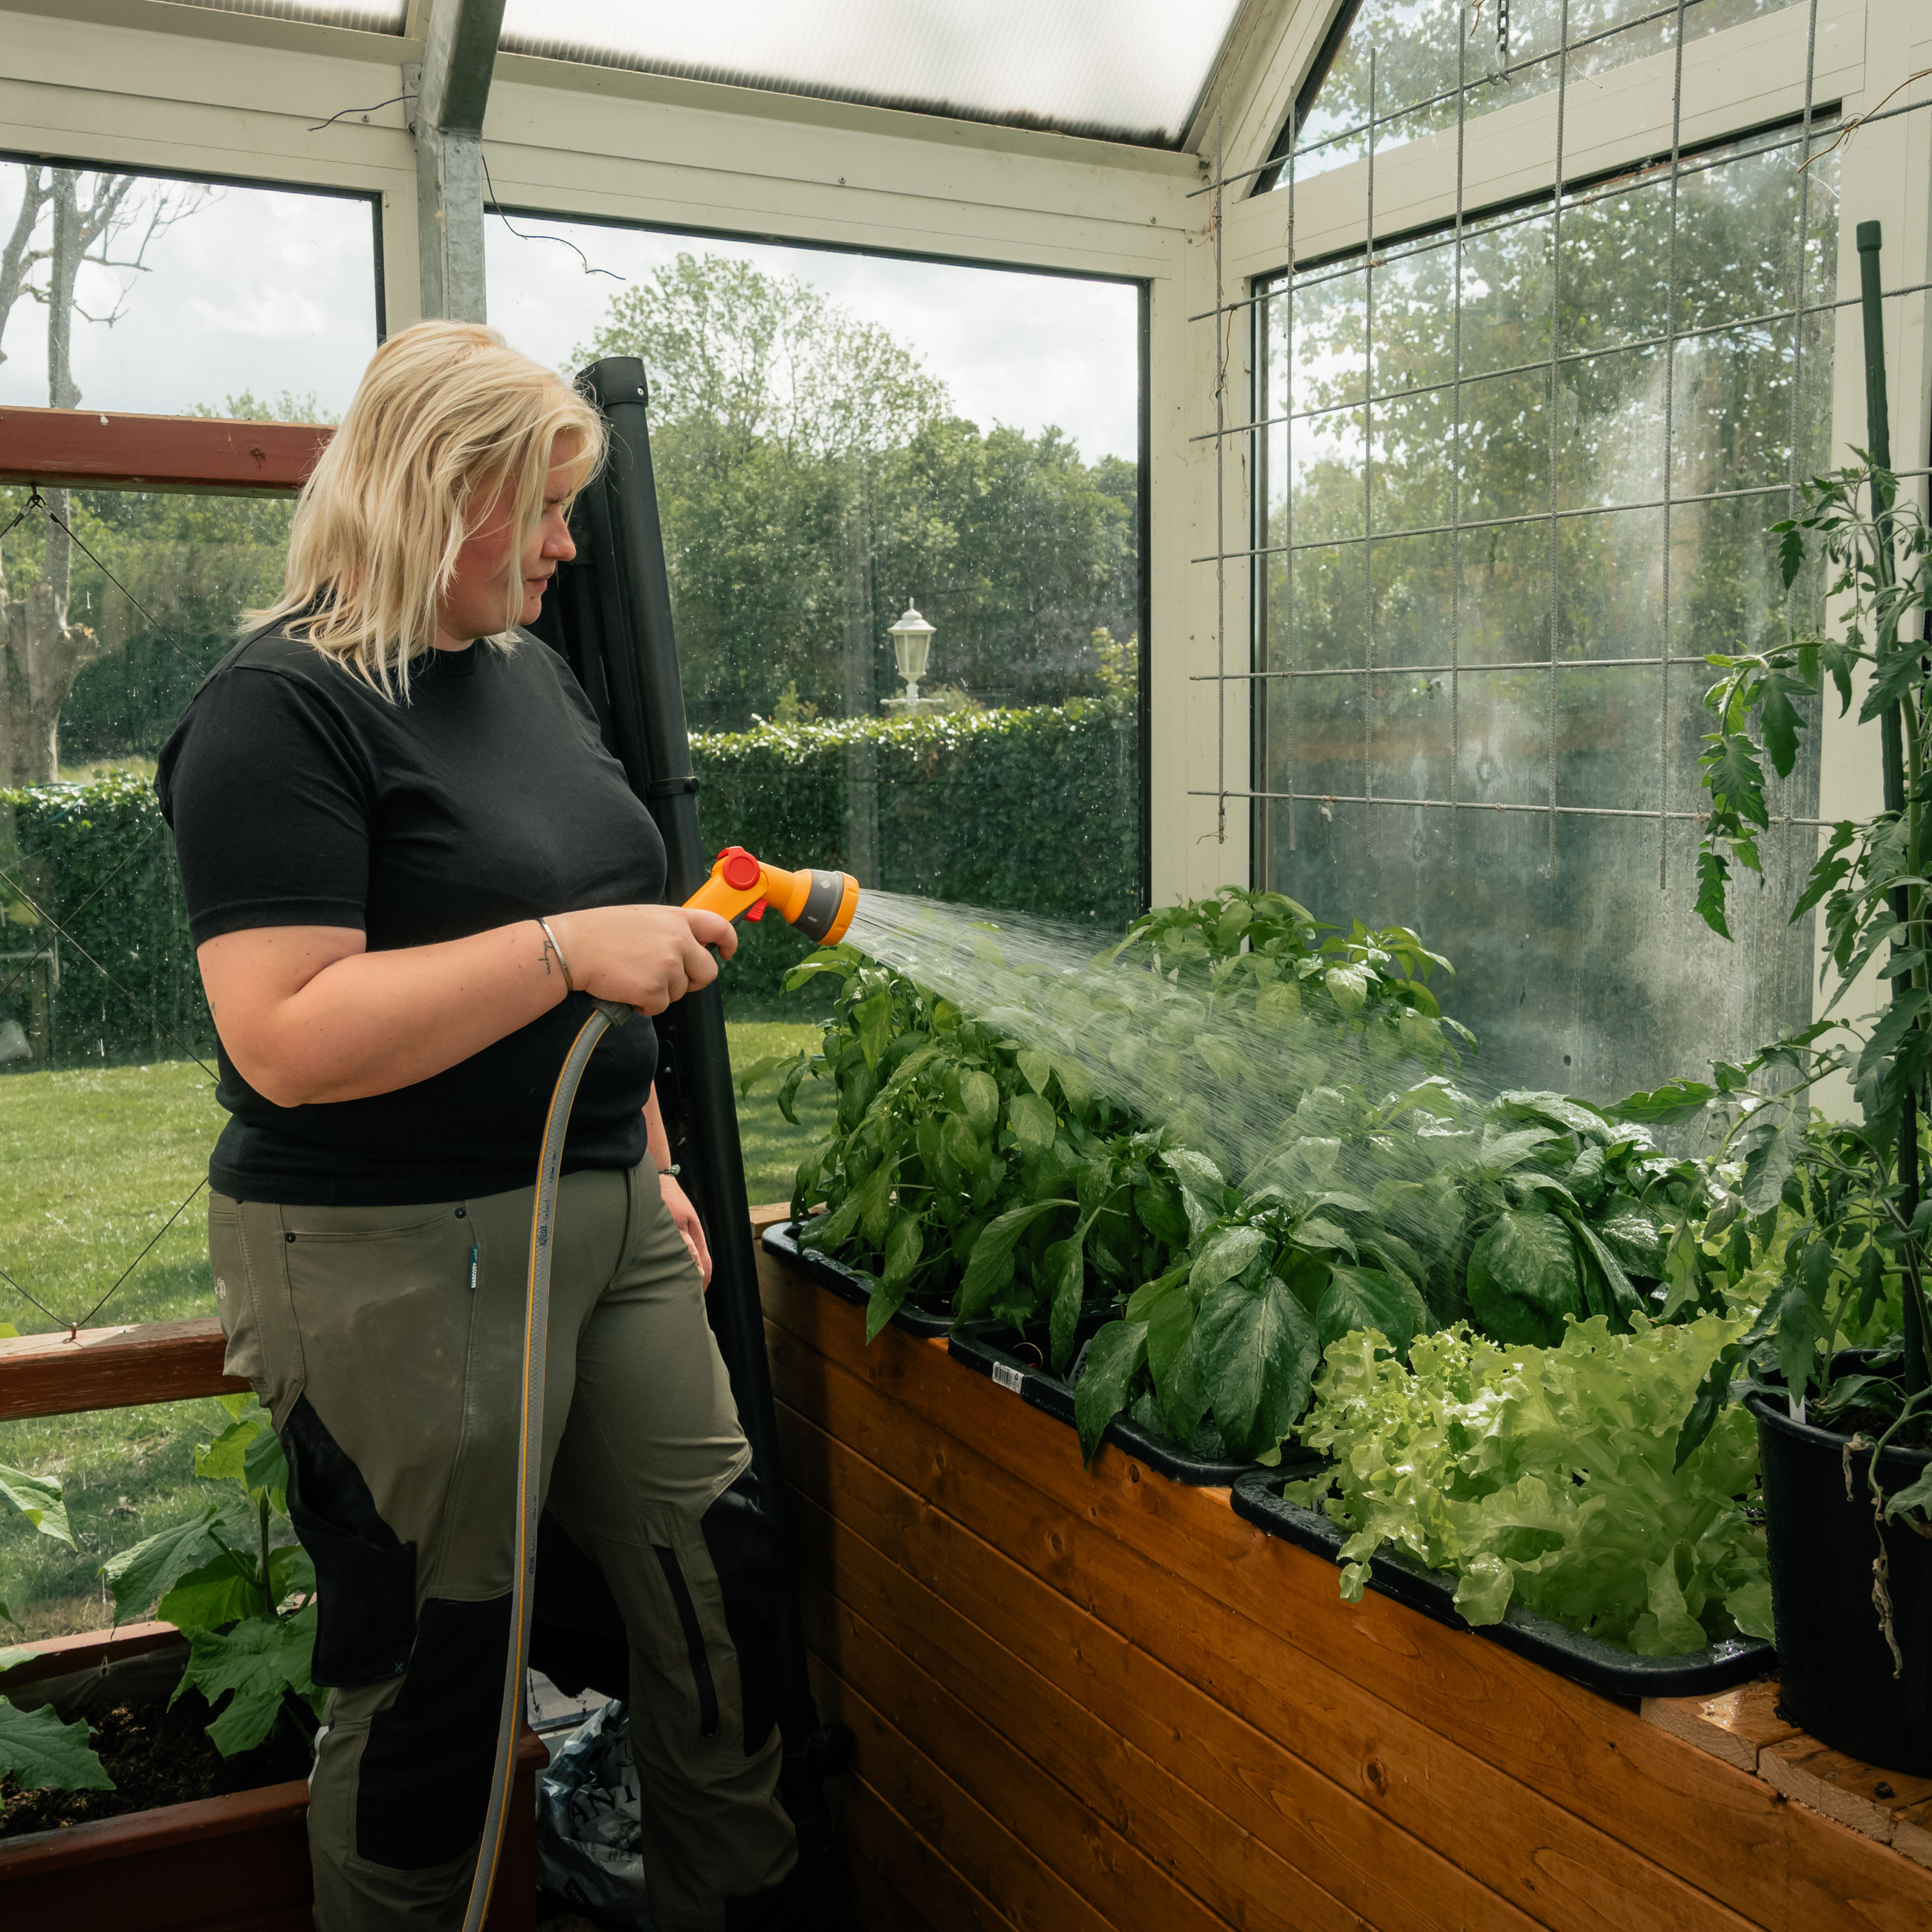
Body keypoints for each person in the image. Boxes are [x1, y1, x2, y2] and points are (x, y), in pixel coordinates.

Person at [157, 321, 799, 1932]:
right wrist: (565, 953)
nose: (572, 544)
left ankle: (737, 1903)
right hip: (389, 1253)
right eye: (545, 508)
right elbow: (286, 1034)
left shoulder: (526, 675)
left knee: (714, 1574)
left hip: (606, 1217)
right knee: (439, 1666)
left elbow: (592, 918)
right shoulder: (275, 709)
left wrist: (645, 1156)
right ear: (437, 493)